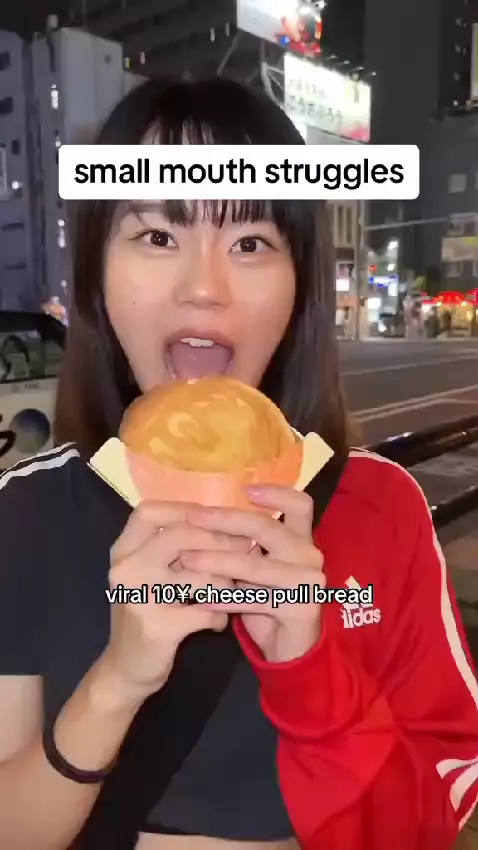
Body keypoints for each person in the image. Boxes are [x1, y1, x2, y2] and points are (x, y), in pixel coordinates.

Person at [0, 77, 476, 850]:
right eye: (158, 236)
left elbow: (425, 827)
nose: (203, 289)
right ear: (95, 275)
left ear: (300, 286)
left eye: (251, 243)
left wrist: (310, 667)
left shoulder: (382, 508)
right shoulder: (23, 513)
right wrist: (117, 683)